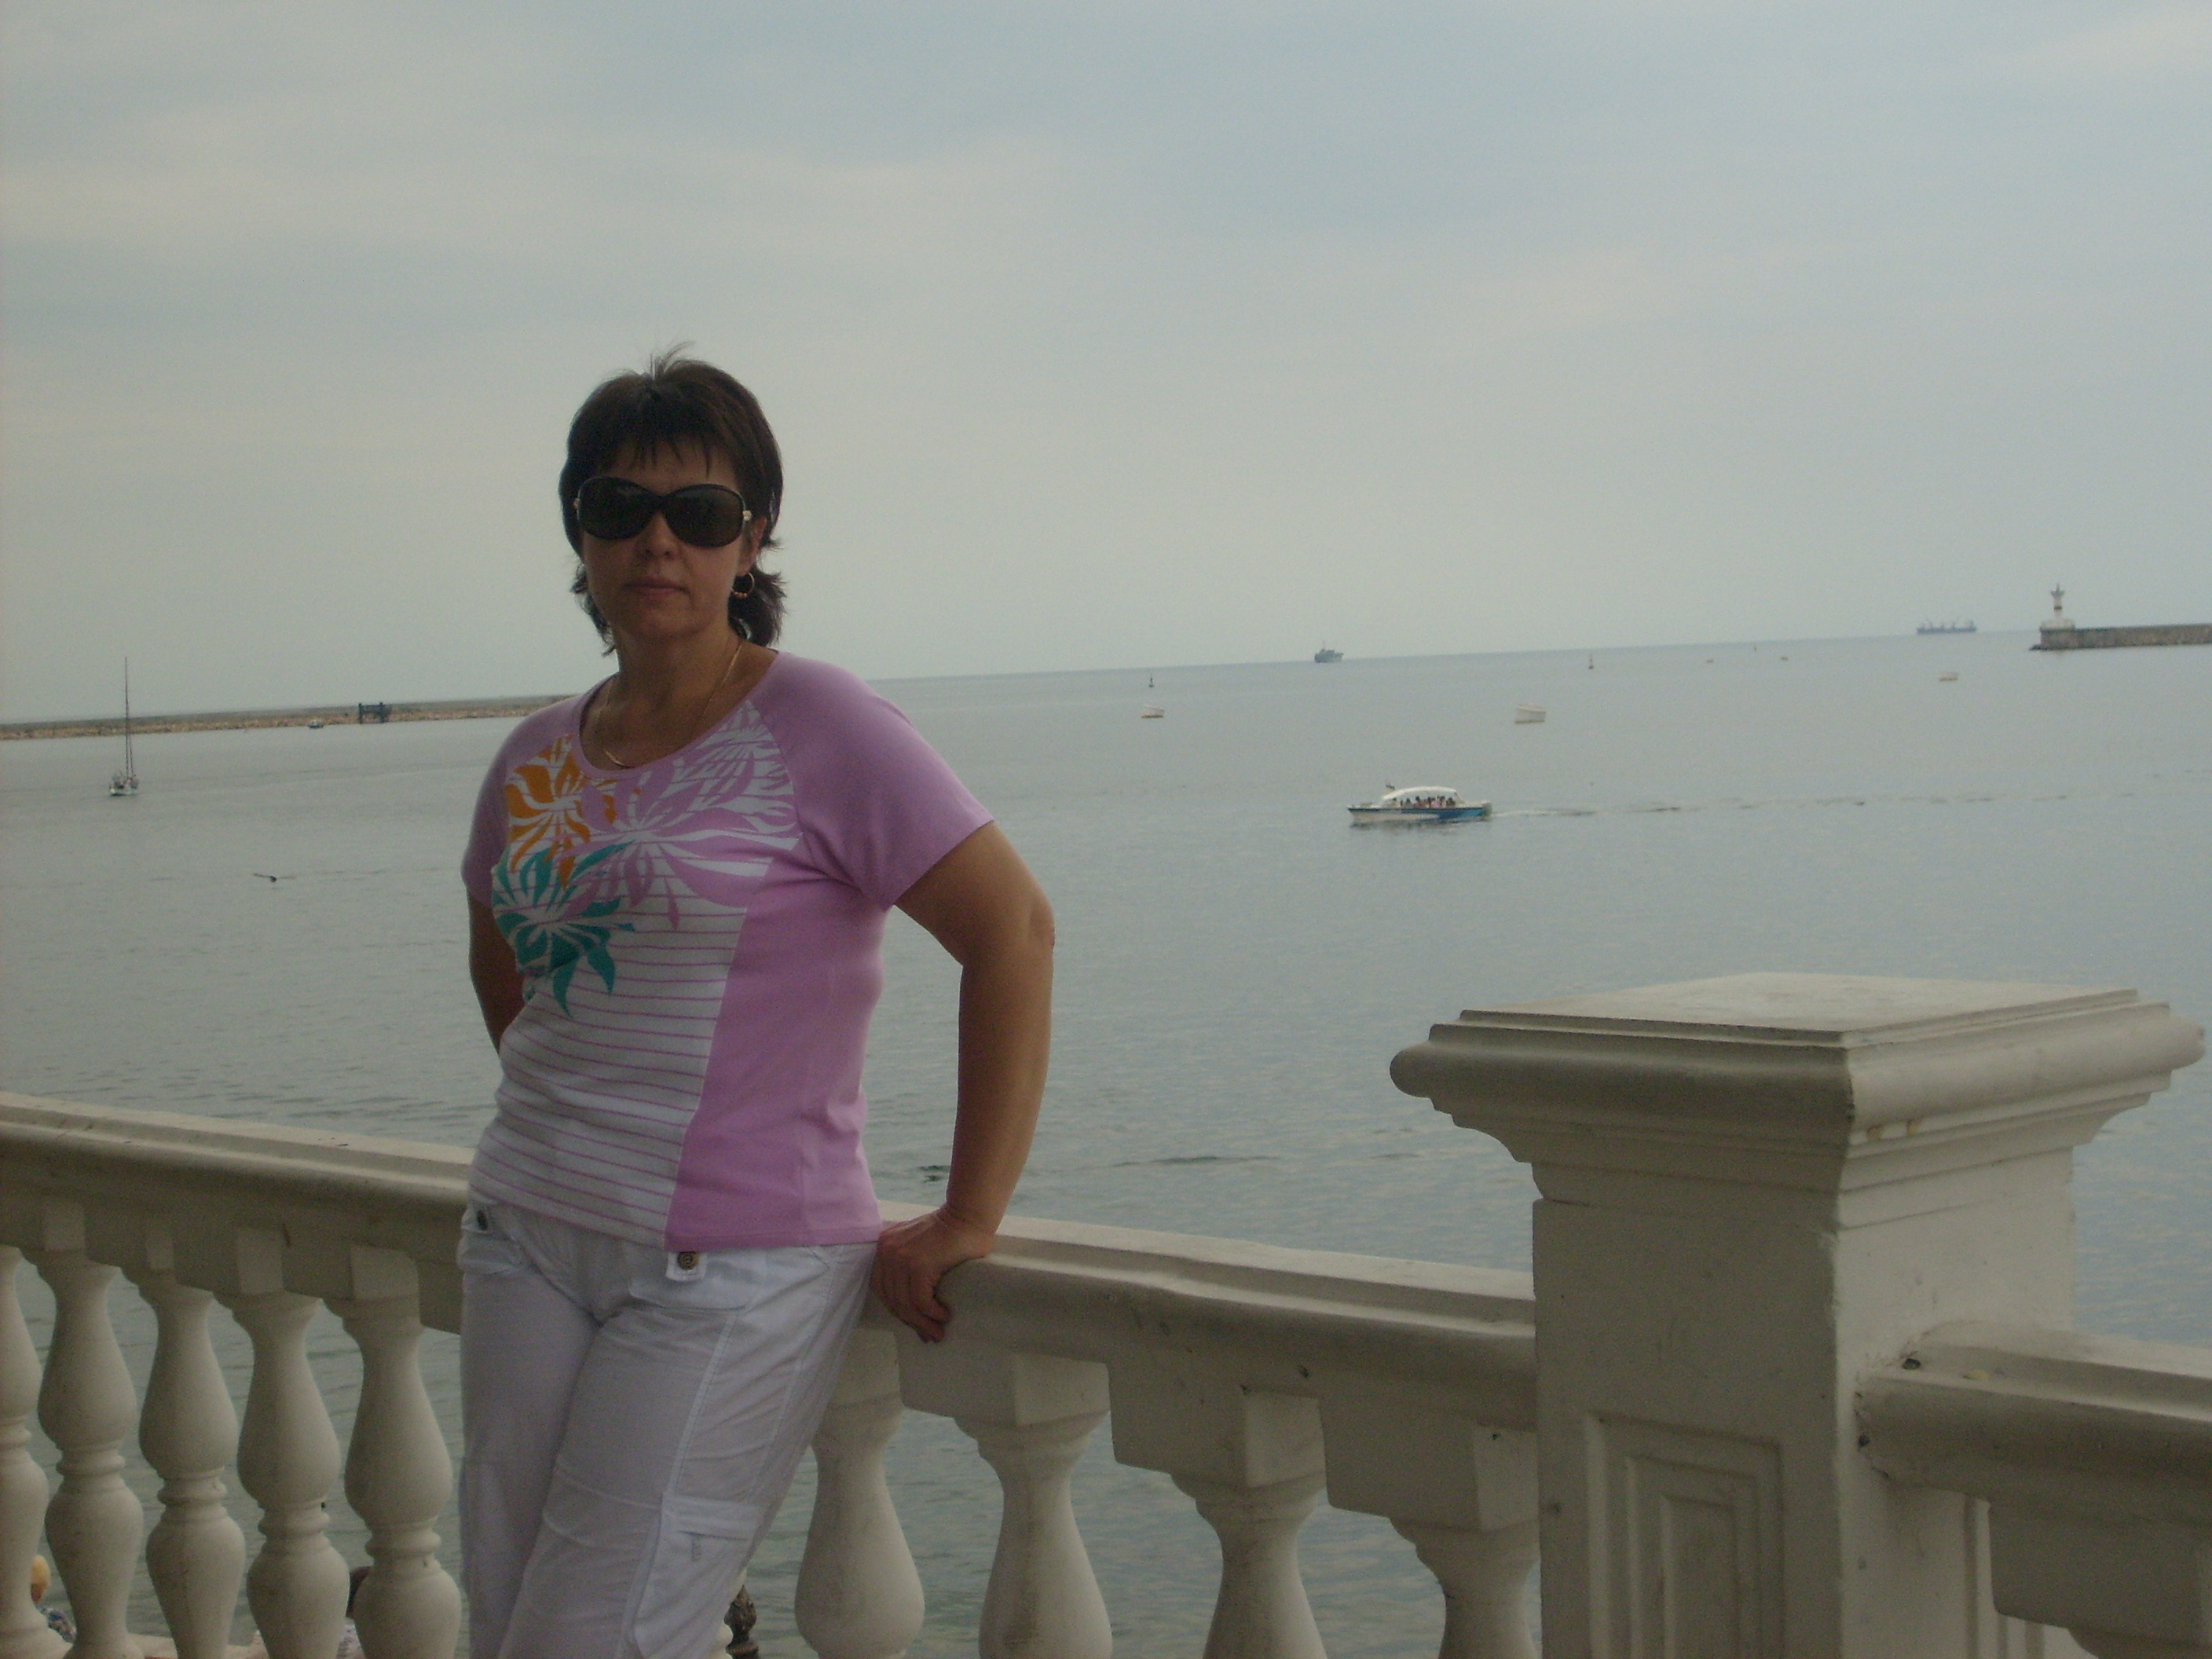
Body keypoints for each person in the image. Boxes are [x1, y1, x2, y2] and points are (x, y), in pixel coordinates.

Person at [457, 352, 1053, 1659]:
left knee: (594, 1637)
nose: (657, 541)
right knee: (500, 1617)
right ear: (579, 531)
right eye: (620, 507)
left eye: (700, 512)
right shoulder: (536, 754)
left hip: (730, 1269)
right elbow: (503, 956)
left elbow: (1012, 933)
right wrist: (585, 1116)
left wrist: (970, 1212)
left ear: (754, 536)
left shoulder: (821, 723)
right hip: (526, 1234)